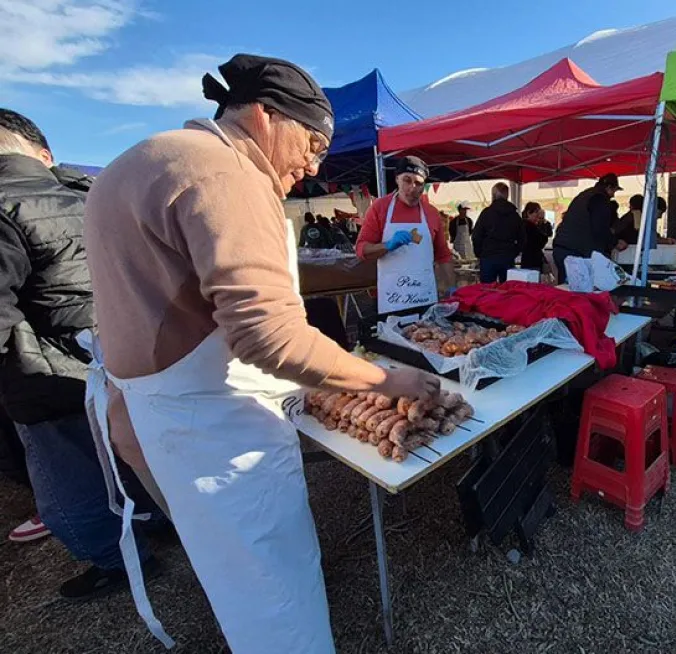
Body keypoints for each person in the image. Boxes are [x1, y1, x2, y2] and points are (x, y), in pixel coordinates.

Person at [84, 54, 439, 652]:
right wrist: (387, 380)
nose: (314, 165)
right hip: (222, 428)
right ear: (266, 116)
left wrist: (125, 405)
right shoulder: (226, 173)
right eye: (313, 144)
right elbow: (269, 337)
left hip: (166, 414)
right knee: (274, 590)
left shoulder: (138, 161)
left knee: (234, 574)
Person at [0, 108, 167, 596]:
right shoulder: (95, 193)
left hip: (47, 372)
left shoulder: (4, 205)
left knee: (68, 484)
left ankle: (119, 561)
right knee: (134, 451)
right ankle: (159, 519)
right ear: (43, 154)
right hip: (128, 352)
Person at [357, 155, 456, 313]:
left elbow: (443, 256)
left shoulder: (431, 213)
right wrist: (387, 246)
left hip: (425, 299)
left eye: (419, 183)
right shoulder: (379, 208)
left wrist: (452, 288)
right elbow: (361, 250)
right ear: (397, 179)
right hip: (393, 300)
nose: (412, 188)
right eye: (407, 180)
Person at [553, 173, 625, 283]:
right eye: (614, 191)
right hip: (576, 252)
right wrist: (614, 242)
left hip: (563, 248)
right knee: (578, 289)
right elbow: (599, 228)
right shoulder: (599, 199)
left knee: (566, 289)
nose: (613, 196)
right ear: (608, 187)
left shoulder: (586, 195)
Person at [472, 182, 523, 283]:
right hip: (507, 256)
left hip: (488, 257)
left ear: (493, 195)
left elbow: (476, 236)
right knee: (507, 289)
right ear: (507, 195)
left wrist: (479, 253)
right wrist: (514, 252)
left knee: (487, 289)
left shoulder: (486, 213)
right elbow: (522, 238)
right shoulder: (514, 215)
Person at [520, 201, 553, 271]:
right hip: (532, 260)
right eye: (536, 212)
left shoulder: (526, 225)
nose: (538, 215)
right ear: (529, 213)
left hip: (528, 260)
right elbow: (541, 241)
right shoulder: (529, 226)